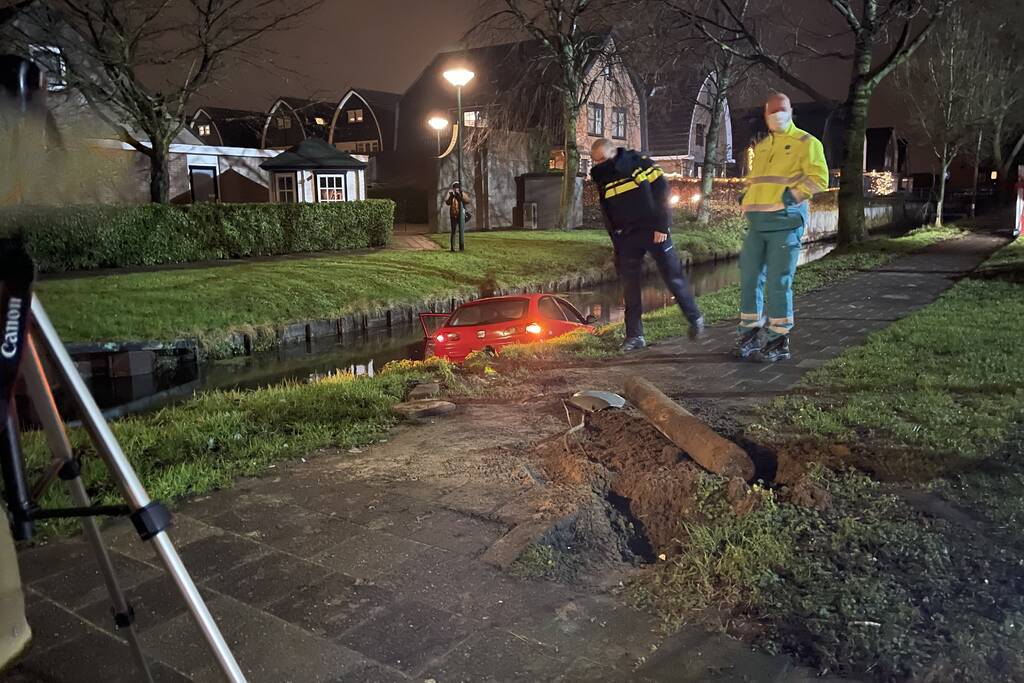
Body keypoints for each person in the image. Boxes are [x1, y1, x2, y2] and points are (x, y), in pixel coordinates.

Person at [735, 93, 828, 363]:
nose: (777, 114)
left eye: (782, 109)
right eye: (772, 110)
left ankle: (778, 341)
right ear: (765, 115)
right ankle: (749, 335)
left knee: (778, 283)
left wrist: (792, 197)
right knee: (750, 281)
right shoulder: (762, 146)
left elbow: (818, 178)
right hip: (757, 225)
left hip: (785, 224)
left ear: (791, 111)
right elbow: (756, 180)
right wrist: (747, 195)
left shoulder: (807, 143)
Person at [590, 138, 704, 352]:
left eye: (601, 160)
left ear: (612, 153)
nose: (598, 165)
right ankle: (634, 336)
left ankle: (694, 317)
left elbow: (662, 191)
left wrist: (662, 226)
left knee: (672, 276)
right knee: (630, 286)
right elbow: (607, 209)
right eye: (595, 162)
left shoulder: (639, 163)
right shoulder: (603, 177)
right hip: (627, 235)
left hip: (653, 230)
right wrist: (616, 239)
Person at [443, 182, 471, 252]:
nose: (456, 189)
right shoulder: (451, 195)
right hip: (453, 216)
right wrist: (451, 196)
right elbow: (447, 202)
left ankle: (461, 247)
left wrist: (460, 194)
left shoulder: (462, 193)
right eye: (455, 188)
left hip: (460, 215)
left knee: (461, 231)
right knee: (453, 232)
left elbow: (467, 201)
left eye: (457, 188)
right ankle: (453, 248)